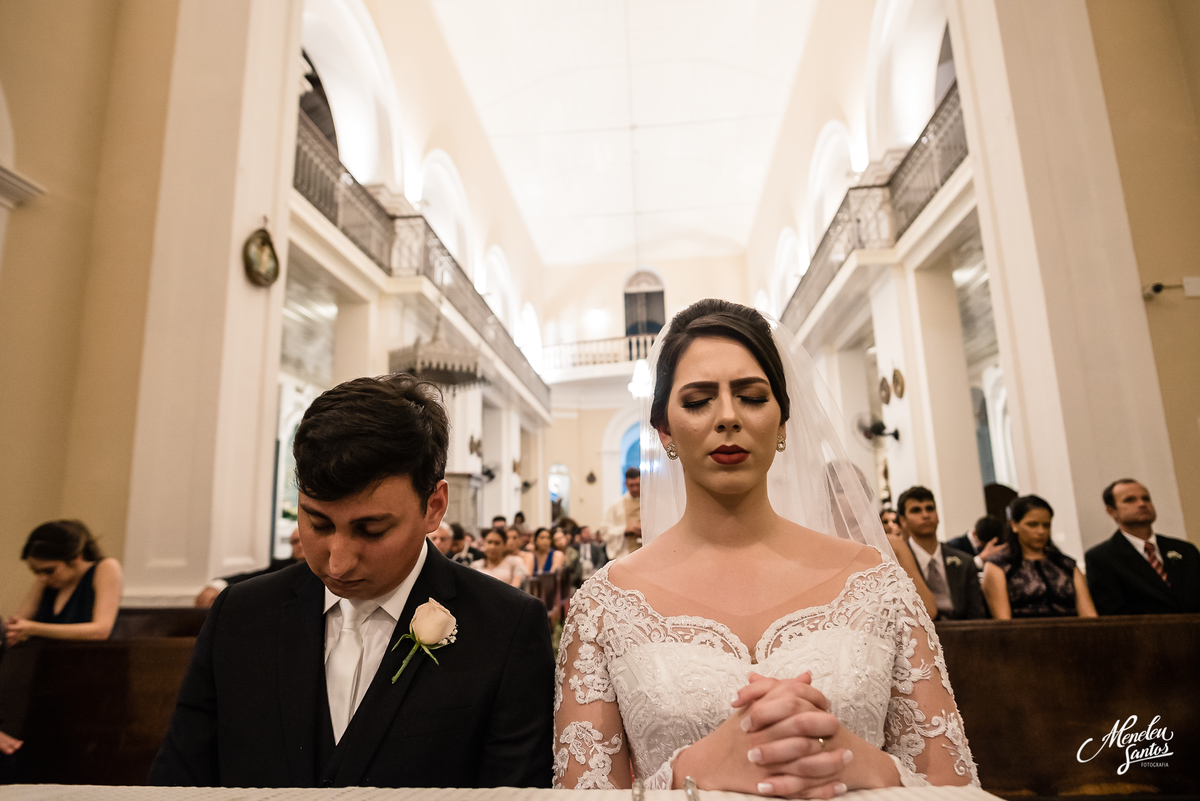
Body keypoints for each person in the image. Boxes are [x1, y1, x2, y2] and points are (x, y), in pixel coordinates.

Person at [555, 299, 977, 793]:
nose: (727, 417)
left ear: (782, 424)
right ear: (665, 430)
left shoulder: (875, 582)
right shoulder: (605, 605)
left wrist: (863, 764)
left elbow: (955, 788)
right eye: (698, 401)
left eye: (752, 397)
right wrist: (690, 772)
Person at [150, 374, 553, 788]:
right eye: (318, 523)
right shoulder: (239, 614)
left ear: (434, 506)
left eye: (372, 530)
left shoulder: (506, 628)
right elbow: (178, 783)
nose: (338, 564)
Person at [1084, 479, 1200, 615]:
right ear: (1111, 511)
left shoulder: (1185, 550)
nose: (1142, 504)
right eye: (1130, 500)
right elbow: (1112, 611)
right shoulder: (1101, 558)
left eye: (1146, 498)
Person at [6, 520, 123, 645]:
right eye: (36, 572)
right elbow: (18, 622)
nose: (42, 578)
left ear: (76, 558)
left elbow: (100, 631)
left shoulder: (105, 568)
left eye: (49, 570)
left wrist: (33, 628)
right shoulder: (46, 579)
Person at [983, 495, 1097, 619]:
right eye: (1032, 525)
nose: (1041, 531)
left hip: (1072, 630)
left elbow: (1089, 615)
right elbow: (1004, 621)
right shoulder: (999, 566)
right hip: (1023, 630)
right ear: (1014, 525)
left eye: (1046, 525)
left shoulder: (1066, 564)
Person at [895, 487, 987, 620]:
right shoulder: (897, 562)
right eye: (916, 510)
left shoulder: (965, 562)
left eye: (930, 508)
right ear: (903, 520)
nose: (925, 515)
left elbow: (977, 618)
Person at [194, 527, 305, 608]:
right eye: (295, 541)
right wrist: (214, 587)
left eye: (303, 539)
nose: (300, 545)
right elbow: (249, 578)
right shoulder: (280, 566)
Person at [599, 467, 642, 561]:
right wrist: (626, 530)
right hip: (625, 553)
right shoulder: (617, 505)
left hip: (646, 551)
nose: (635, 489)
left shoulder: (651, 503)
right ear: (625, 484)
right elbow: (605, 531)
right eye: (631, 485)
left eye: (638, 484)